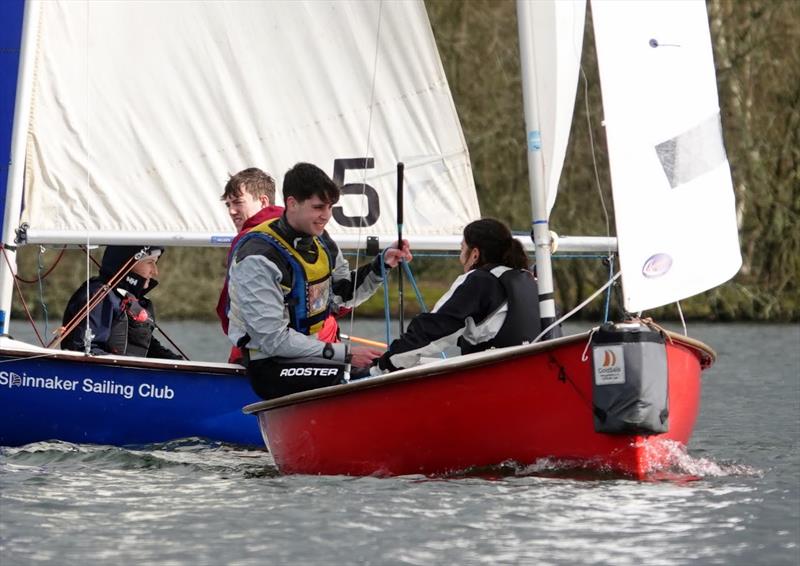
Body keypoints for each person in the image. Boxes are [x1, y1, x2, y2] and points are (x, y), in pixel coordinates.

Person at [226, 162, 412, 400]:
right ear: (292, 204)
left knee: (389, 367)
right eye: (318, 207)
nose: (326, 216)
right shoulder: (259, 256)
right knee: (359, 377)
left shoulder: (321, 240)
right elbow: (273, 340)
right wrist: (345, 354)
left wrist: (382, 264)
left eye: (330, 207)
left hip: (311, 355)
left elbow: (344, 295)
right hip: (271, 365)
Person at [372, 217, 541, 373]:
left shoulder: (479, 280)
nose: (460, 257)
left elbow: (432, 330)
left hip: (492, 379)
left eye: (462, 248)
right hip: (534, 371)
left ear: (474, 254)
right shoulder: (530, 280)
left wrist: (384, 365)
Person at [60, 245, 181, 359]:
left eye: (155, 262)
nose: (155, 271)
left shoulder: (129, 299)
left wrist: (180, 365)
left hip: (131, 378)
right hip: (101, 379)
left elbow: (145, 346)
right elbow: (85, 349)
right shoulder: (101, 295)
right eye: (150, 262)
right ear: (127, 264)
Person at [216, 167, 284, 363]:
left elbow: (227, 307)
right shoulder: (306, 230)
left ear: (263, 201)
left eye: (238, 202)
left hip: (259, 356)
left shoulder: (249, 240)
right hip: (318, 347)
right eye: (228, 204)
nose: (231, 211)